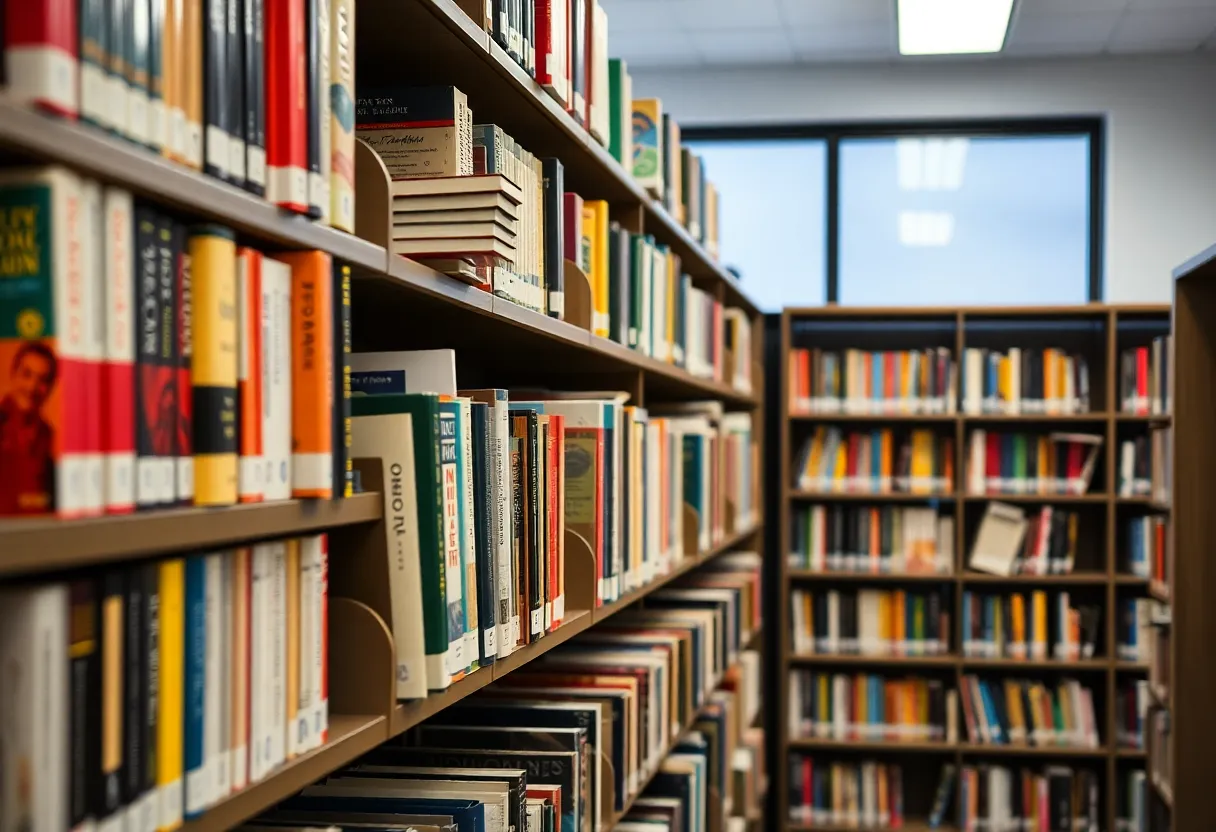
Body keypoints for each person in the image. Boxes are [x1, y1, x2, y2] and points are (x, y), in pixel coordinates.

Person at [0, 342, 57, 514]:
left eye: (42, 380)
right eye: (27, 375)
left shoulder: (46, 434)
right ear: (13, 375)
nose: (32, 387)